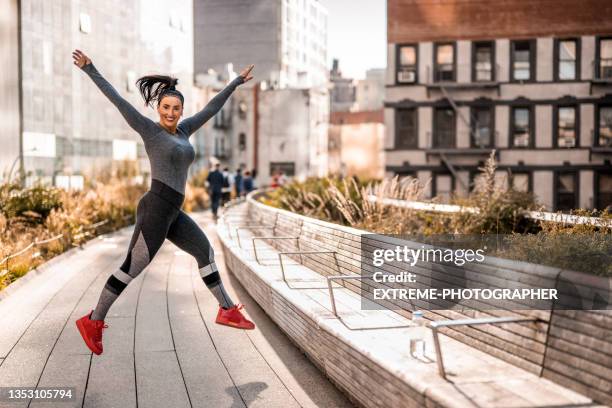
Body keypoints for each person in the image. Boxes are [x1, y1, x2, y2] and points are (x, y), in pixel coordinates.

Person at [72, 49, 256, 356]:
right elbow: (118, 100)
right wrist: (90, 69)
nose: (170, 112)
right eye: (166, 107)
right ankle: (93, 320)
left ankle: (226, 309)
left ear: (182, 111)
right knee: (131, 268)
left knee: (205, 252)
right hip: (156, 207)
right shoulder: (149, 130)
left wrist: (235, 83)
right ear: (159, 107)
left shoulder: (184, 130)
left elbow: (212, 108)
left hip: (174, 211)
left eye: (176, 108)